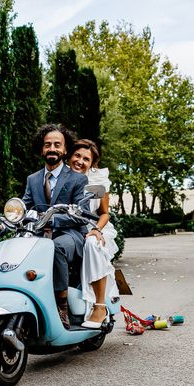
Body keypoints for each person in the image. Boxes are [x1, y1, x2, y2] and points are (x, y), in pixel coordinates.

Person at [21, 124, 90, 329]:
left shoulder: (78, 179)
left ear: (65, 150)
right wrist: (8, 220)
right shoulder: (32, 179)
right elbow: (24, 207)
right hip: (40, 234)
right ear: (42, 149)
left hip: (70, 234)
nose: (52, 148)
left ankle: (62, 307)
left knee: (56, 247)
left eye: (57, 145)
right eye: (47, 145)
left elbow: (82, 215)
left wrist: (53, 220)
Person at [67, 139, 120, 329]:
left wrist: (96, 230)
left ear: (92, 164)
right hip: (70, 229)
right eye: (77, 156)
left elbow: (104, 213)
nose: (80, 161)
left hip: (95, 227)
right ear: (70, 156)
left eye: (86, 159)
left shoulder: (98, 181)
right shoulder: (61, 178)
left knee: (92, 243)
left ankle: (100, 306)